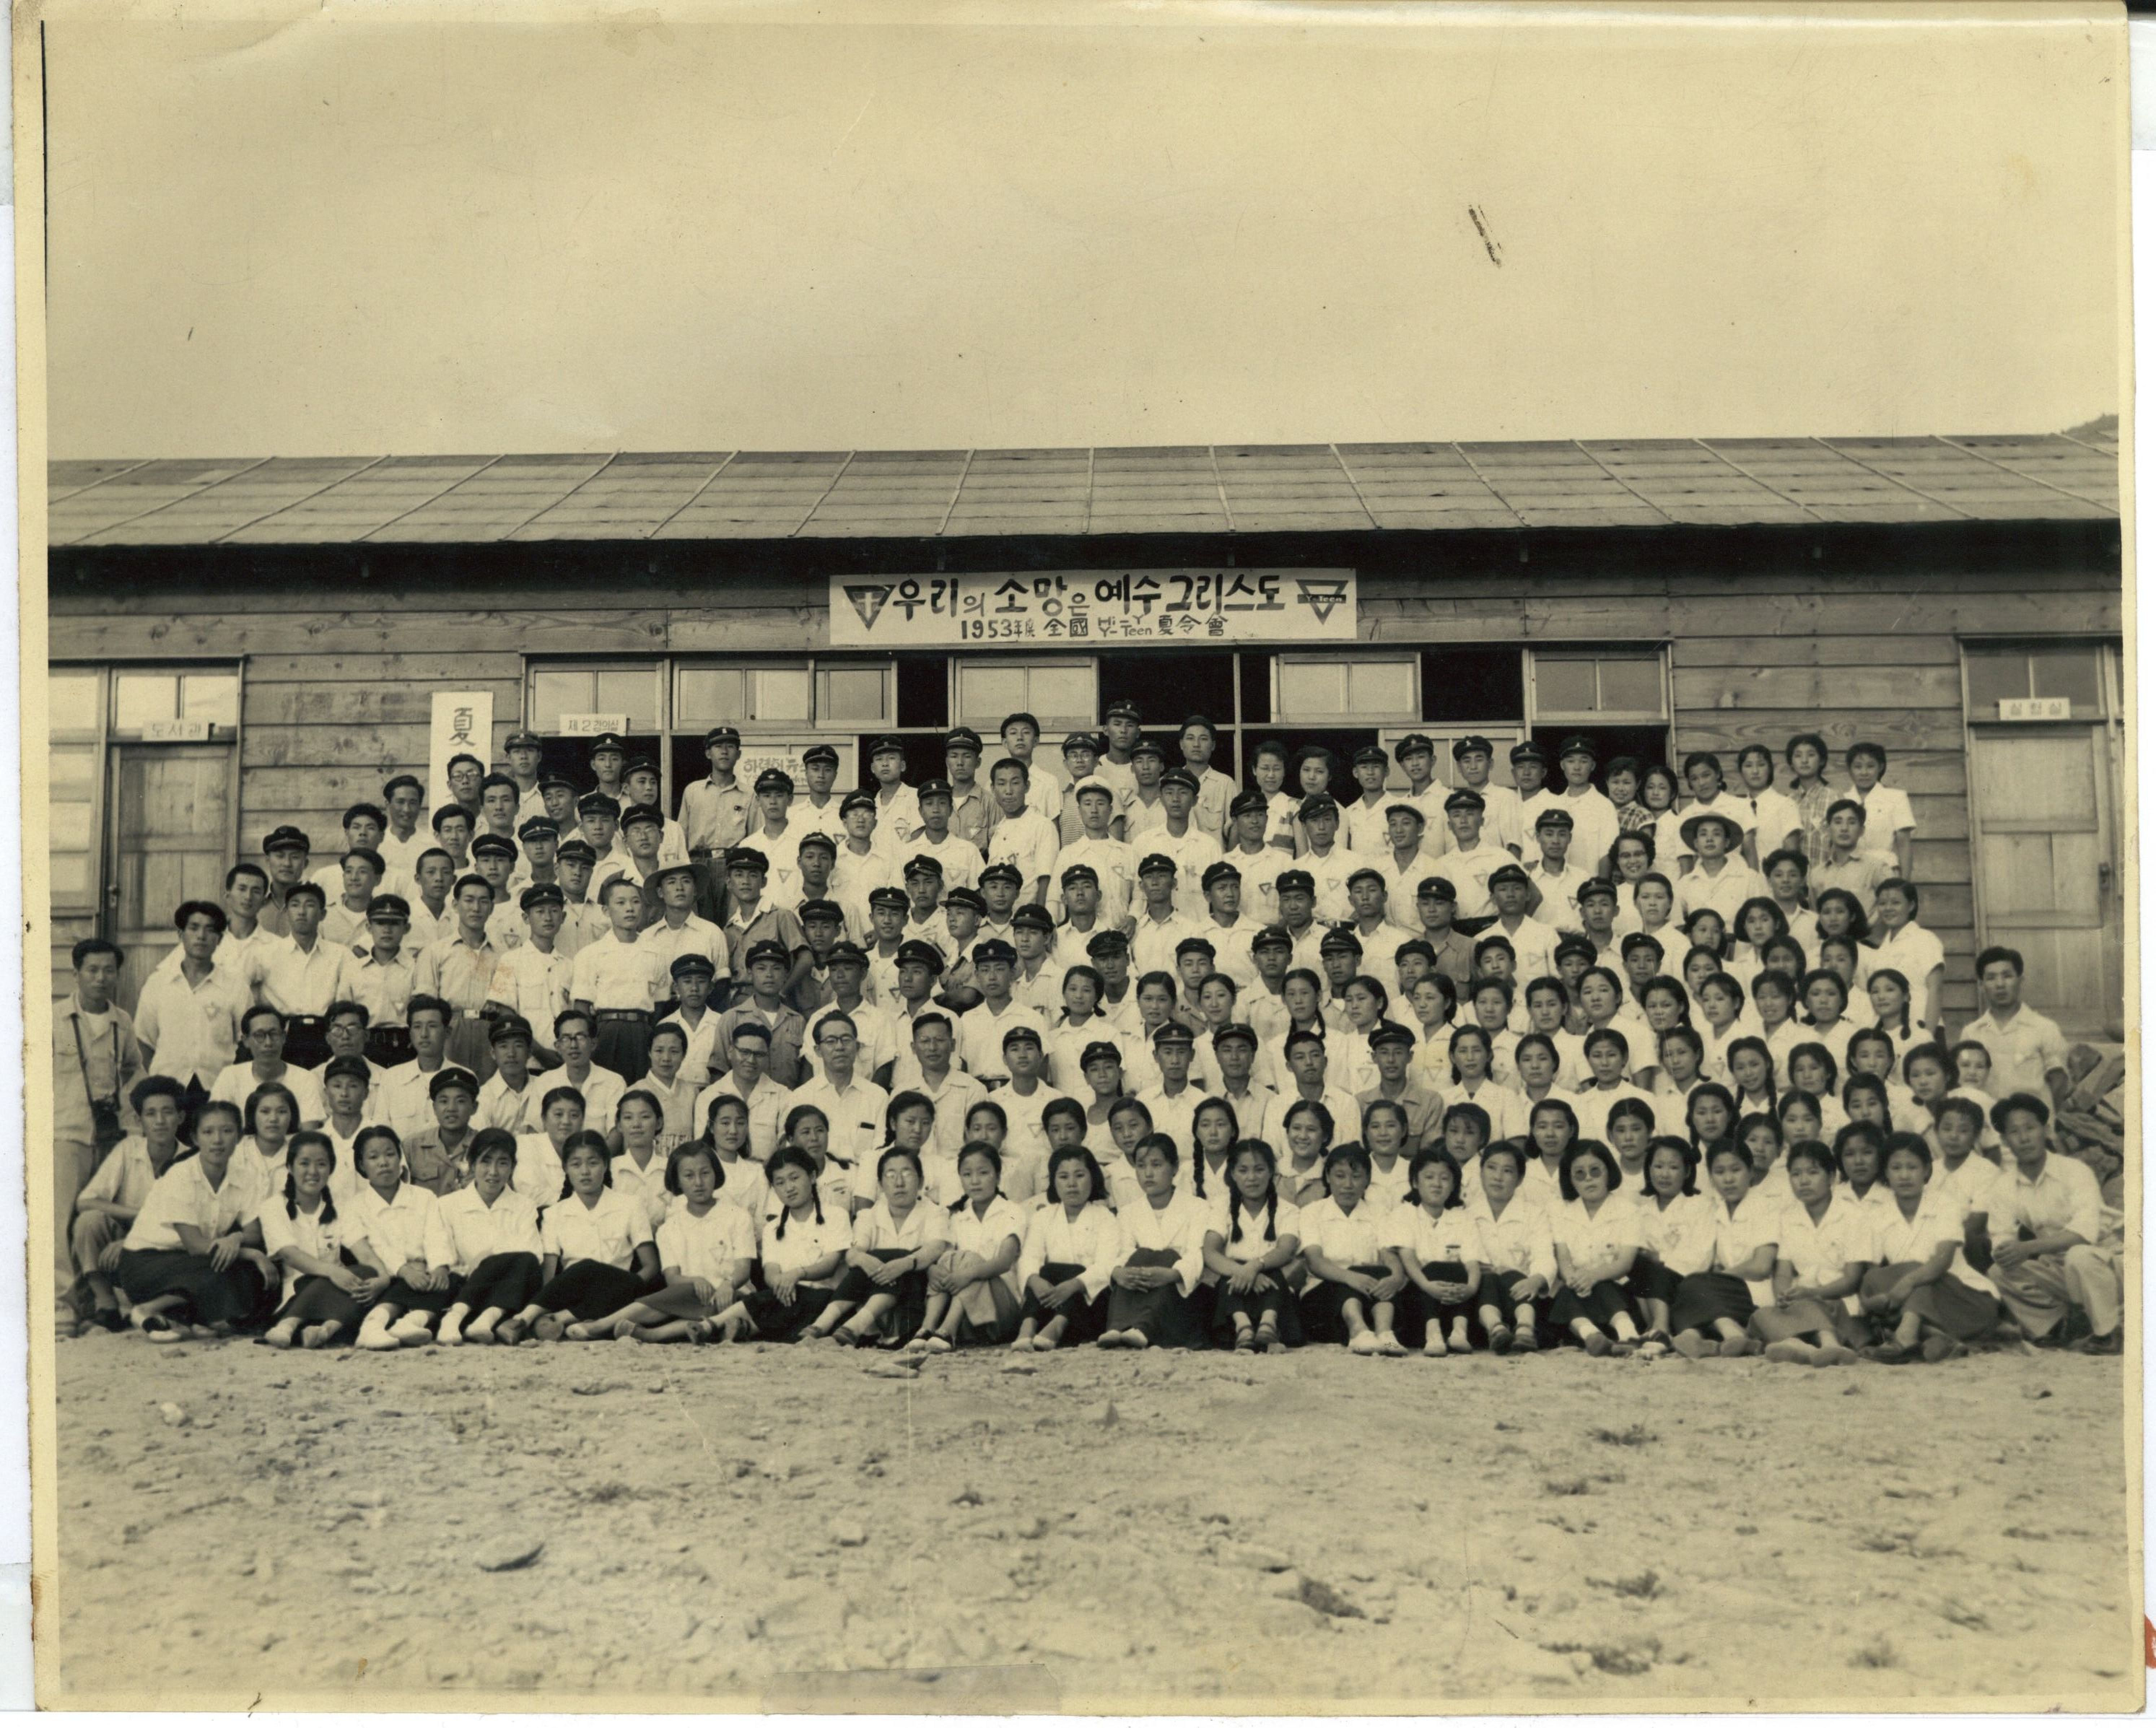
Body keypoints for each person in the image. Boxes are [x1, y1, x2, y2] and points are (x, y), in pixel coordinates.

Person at [567, 1139, 756, 1342]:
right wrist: (695, 1281)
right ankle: (698, 1331)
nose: (699, 1183)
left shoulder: (737, 1216)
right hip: (688, 1299)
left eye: (705, 1173)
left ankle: (605, 1326)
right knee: (684, 1292)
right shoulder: (670, 1228)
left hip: (733, 1297)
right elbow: (673, 1278)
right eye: (689, 1176)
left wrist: (728, 1285)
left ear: (716, 1174)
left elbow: (743, 1268)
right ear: (677, 1180)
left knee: (704, 1301)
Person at [1984, 1093, 2122, 1353]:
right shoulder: (2004, 1186)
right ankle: (2057, 1328)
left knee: (2080, 1256)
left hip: (2113, 1263)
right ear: (2004, 1141)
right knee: (1999, 1272)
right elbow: (2000, 1236)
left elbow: (2084, 1233)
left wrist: (2026, 1248)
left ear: (2046, 1130)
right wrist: (2005, 1250)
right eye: (2014, 1132)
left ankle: (2108, 1334)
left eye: (2030, 1128)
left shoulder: (2074, 1171)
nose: (2024, 1138)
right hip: (2062, 1269)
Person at [53, 937, 145, 1329]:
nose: (101, 978)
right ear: (76, 974)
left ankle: (93, 1300)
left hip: (109, 1137)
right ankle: (61, 1304)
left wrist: (132, 1120)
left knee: (92, 1219)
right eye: (92, 970)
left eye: (109, 970)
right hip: (64, 1132)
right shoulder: (52, 1020)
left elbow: (135, 1072)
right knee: (58, 1221)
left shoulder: (122, 1021)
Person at [1860, 1132, 2002, 1362]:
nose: (1905, 1176)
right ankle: (1935, 1337)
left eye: (1912, 1167)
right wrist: (1874, 1301)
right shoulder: (1877, 1214)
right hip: (1918, 1305)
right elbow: (1873, 1273)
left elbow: (1942, 1261)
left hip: (1967, 1302)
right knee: (1875, 1279)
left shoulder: (1945, 1204)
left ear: (1927, 1170)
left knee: (1919, 1272)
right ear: (1885, 1172)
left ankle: (1907, 1336)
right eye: (1896, 1168)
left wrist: (1908, 1282)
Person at [66, 1075, 189, 1332]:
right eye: (151, 1114)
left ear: (181, 1117)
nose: (159, 1121)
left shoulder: (190, 1159)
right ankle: (107, 1306)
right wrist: (137, 1215)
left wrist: (132, 1241)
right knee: (89, 1222)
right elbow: (86, 1202)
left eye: (168, 1112)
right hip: (123, 1245)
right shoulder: (128, 1149)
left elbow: (188, 1225)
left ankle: (162, 1307)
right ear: (139, 1120)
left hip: (166, 1248)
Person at [811, 1146, 951, 1347]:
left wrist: (904, 1264)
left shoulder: (936, 1213)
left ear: (921, 1182)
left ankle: (847, 1325)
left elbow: (935, 1248)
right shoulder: (869, 1215)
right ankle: (824, 1324)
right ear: (880, 1185)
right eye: (891, 1175)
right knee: (867, 1259)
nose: (899, 1182)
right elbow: (853, 1253)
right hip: (874, 1294)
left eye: (907, 1173)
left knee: (901, 1258)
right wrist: (864, 1259)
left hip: (916, 1299)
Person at [711, 1144, 854, 1344]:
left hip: (826, 1300)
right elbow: (771, 1272)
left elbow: (830, 1265)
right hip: (788, 1299)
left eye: (795, 1178)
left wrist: (796, 1275)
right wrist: (781, 1284)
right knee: (778, 1299)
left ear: (813, 1177)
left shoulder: (836, 1216)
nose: (789, 1188)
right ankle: (733, 1327)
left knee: (796, 1300)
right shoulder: (773, 1228)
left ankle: (719, 1325)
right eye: (780, 1182)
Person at [1752, 1139, 1869, 1365]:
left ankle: (1827, 1342)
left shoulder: (1853, 1216)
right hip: (1802, 1299)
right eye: (1796, 1174)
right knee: (1761, 1315)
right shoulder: (1789, 1217)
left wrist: (1813, 1294)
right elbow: (1784, 1272)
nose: (1804, 1181)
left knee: (1807, 1305)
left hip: (1840, 1301)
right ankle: (1800, 1345)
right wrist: (1784, 1296)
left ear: (1832, 1177)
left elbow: (1852, 1279)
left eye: (1813, 1173)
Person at [425, 1129, 546, 1345]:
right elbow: (440, 1248)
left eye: (503, 1163)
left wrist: (487, 1257)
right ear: (472, 1165)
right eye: (486, 1162)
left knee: (527, 1261)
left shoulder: (525, 1206)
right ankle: (454, 1319)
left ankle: (484, 1322)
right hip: (464, 1287)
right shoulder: (447, 1204)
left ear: (513, 1168)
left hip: (506, 1293)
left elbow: (533, 1253)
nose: (493, 1172)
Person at [251, 1130, 368, 1350]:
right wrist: (333, 1272)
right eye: (304, 1163)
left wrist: (381, 1278)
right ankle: (290, 1325)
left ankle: (324, 1331)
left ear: (331, 1169)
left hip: (340, 1289)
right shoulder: (273, 1207)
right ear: (290, 1167)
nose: (313, 1172)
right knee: (317, 1281)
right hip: (296, 1294)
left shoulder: (342, 1206)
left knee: (366, 1274)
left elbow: (364, 1251)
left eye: (321, 1164)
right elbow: (290, 1255)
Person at [345, 1125, 455, 1350]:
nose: (384, 1163)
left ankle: (410, 1323)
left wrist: (439, 1267)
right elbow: (374, 1248)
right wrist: (404, 1271)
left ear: (400, 1158)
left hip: (424, 1272)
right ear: (362, 1165)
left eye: (390, 1154)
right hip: (388, 1274)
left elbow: (436, 1235)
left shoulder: (424, 1197)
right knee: (397, 1283)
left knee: (450, 1282)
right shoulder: (355, 1206)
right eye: (373, 1157)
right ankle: (373, 1326)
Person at [910, 1142, 1027, 1352]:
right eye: (967, 1174)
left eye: (984, 1173)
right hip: (969, 1317)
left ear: (998, 1176)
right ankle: (927, 1328)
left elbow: (1004, 1262)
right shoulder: (958, 1218)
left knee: (971, 1260)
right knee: (949, 1260)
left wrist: (967, 1275)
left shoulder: (1012, 1211)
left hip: (1002, 1311)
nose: (975, 1181)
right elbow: (945, 1260)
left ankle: (948, 1331)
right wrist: (933, 1270)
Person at [1099, 1134, 1211, 1350]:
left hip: (1177, 1297)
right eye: (1141, 1166)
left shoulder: (1198, 1207)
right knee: (1137, 1258)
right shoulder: (1128, 1212)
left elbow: (1195, 1255)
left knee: (1167, 1255)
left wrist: (1172, 1274)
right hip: (1139, 1289)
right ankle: (1117, 1327)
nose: (1148, 1174)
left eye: (1157, 1165)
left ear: (1175, 1168)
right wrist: (1119, 1272)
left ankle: (1142, 1329)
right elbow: (1123, 1252)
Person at [1295, 1142, 1406, 1355]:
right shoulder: (1312, 1212)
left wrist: (1396, 1276)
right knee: (1348, 1279)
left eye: (1356, 1177)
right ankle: (1358, 1331)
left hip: (1371, 1297)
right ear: (1328, 1177)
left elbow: (1388, 1254)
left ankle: (1385, 1335)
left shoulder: (1379, 1212)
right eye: (1340, 1176)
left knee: (1381, 1273)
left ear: (1367, 1180)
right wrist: (1350, 1277)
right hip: (1325, 1300)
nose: (1348, 1185)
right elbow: (1315, 1262)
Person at [1668, 1143, 1778, 1358]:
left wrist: (1719, 1277)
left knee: (1696, 1284)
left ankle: (1717, 1333)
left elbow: (1761, 1266)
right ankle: (1707, 1338)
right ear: (1711, 1178)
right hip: (1722, 1294)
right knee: (1689, 1285)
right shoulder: (1714, 1210)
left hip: (1755, 1294)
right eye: (1720, 1173)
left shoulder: (1766, 1207)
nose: (1728, 1179)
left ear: (1751, 1172)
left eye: (1736, 1170)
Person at [1200, 1138, 1302, 1353]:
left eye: (1259, 1170)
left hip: (1273, 1294)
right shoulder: (1221, 1207)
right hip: (1234, 1296)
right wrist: (1244, 1272)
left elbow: (1285, 1250)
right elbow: (1210, 1252)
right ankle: (1243, 1327)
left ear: (1271, 1172)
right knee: (1228, 1275)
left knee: (1273, 1270)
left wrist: (1255, 1267)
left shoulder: (1288, 1210)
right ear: (1233, 1174)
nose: (1252, 1178)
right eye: (1243, 1171)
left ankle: (1268, 1325)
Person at [1389, 1148, 1483, 1357]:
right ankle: (1433, 1335)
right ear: (1415, 1182)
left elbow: (1472, 1263)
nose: (1437, 1184)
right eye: (1429, 1177)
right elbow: (1408, 1259)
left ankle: (1460, 1332)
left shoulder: (1463, 1217)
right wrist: (1428, 1287)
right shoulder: (1403, 1214)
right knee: (1434, 1268)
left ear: (1454, 1185)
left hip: (1455, 1302)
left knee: (1457, 1269)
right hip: (1419, 1300)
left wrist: (1470, 1289)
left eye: (1445, 1179)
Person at [1959, 945, 2071, 1107]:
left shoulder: (2044, 1028)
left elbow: (2059, 1080)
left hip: (2032, 1119)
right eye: (1991, 978)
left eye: (2007, 976)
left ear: (2020, 980)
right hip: (1987, 1118)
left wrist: (2044, 1116)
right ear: (1982, 986)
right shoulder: (1972, 1033)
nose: (2000, 984)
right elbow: (1965, 1084)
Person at [1845, 742, 1916, 878]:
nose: (1864, 773)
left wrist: (1905, 883)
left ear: (1881, 767)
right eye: (1858, 767)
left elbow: (1904, 844)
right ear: (1850, 770)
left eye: (1871, 766)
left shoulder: (1896, 798)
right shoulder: (1844, 799)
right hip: (1851, 871)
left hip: (1885, 869)